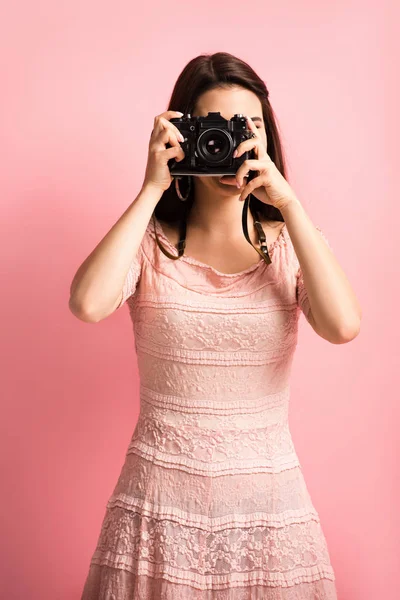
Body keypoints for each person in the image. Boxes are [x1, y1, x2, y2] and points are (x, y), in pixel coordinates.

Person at [71, 52, 361, 599]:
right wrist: (151, 187)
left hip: (268, 519)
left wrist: (290, 205)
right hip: (157, 515)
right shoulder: (150, 243)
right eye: (214, 129)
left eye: (246, 128)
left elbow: (343, 325)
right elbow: (87, 303)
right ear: (182, 133)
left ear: (267, 137)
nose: (229, 146)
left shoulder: (289, 243)